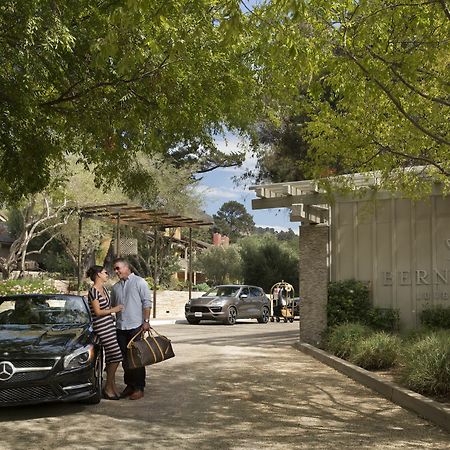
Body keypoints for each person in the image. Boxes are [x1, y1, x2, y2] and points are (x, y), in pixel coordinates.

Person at [111, 257, 152, 401]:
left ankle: (139, 387)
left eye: (118, 268)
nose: (116, 271)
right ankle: (129, 385)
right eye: (115, 269)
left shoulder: (140, 282)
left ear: (126, 268)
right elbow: (113, 307)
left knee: (137, 358)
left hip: (136, 327)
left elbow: (147, 303)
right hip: (120, 327)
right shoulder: (115, 287)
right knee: (125, 359)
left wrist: (146, 321)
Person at [86, 265, 124, 400]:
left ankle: (111, 386)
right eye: (105, 272)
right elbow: (97, 312)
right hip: (101, 327)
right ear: (98, 275)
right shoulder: (93, 291)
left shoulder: (104, 290)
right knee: (117, 355)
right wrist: (114, 309)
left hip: (109, 325)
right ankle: (108, 386)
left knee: (111, 357)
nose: (107, 274)